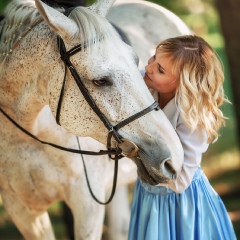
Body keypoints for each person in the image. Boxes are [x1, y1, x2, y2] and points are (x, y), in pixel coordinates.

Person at [128, 35, 236, 240]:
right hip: (148, 196)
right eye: (153, 59)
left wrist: (137, 152)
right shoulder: (148, 83)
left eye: (161, 69)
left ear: (183, 84)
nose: (149, 68)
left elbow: (181, 182)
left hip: (180, 205)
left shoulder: (192, 117)